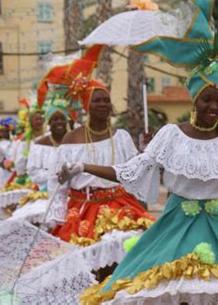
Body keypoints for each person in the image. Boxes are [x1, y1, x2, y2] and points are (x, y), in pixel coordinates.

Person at [61, 0, 218, 303]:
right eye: (207, 99)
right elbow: (130, 171)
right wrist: (82, 167)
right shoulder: (171, 135)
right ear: (194, 99)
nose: (213, 106)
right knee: (171, 289)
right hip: (176, 227)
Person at [38, 45, 154, 279]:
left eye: (106, 101)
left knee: (122, 263)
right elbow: (58, 185)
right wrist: (55, 216)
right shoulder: (71, 140)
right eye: (97, 101)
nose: (103, 105)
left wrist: (146, 150)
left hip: (120, 203)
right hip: (83, 209)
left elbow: (133, 172)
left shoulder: (121, 137)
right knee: (87, 269)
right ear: (87, 106)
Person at [10, 97, 71, 223]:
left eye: (62, 119)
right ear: (48, 123)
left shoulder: (75, 143)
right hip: (46, 193)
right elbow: (33, 172)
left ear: (67, 121)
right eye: (55, 119)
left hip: (73, 193)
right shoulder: (39, 145)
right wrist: (54, 177)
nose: (59, 122)